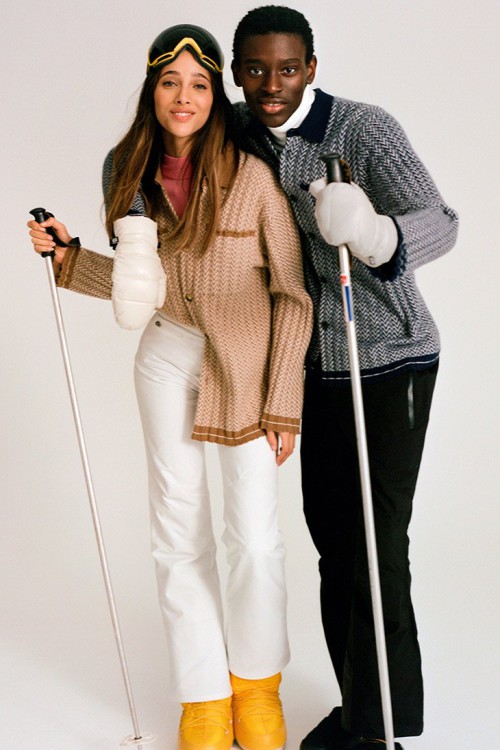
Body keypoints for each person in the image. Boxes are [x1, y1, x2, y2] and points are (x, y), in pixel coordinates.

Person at [27, 23, 313, 750]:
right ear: (151, 90)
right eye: (169, 82)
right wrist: (68, 258)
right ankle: (204, 697)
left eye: (198, 83)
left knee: (254, 538)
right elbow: (142, 286)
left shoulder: (252, 177)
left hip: (246, 369)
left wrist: (284, 401)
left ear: (216, 95)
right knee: (177, 534)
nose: (183, 96)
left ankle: (256, 686)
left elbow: (293, 294)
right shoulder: (127, 172)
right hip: (166, 359)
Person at [230, 6, 459, 750]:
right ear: (237, 72)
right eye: (256, 69)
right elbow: (158, 155)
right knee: (335, 545)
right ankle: (360, 704)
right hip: (310, 367)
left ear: (311, 69)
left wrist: (374, 231)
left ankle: (381, 725)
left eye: (287, 68)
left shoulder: (363, 129)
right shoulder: (233, 135)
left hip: (389, 357)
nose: (272, 84)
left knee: (376, 546)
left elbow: (440, 219)